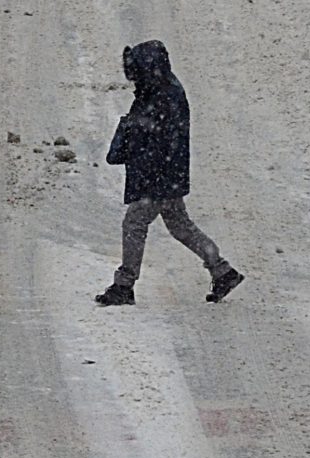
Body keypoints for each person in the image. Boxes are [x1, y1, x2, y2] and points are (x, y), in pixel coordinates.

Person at [95, 41, 242, 306]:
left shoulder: (163, 96)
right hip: (166, 176)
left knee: (134, 225)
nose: (133, 77)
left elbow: (159, 137)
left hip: (158, 177)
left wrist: (135, 129)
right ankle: (222, 270)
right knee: (179, 226)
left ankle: (124, 285)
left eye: (136, 70)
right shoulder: (161, 91)